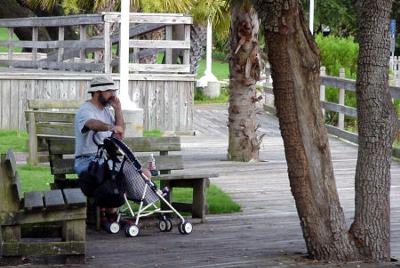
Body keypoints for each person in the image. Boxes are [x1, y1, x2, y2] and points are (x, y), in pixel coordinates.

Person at [74, 75, 125, 225]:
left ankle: (111, 216)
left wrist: (118, 110)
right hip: (87, 161)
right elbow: (91, 124)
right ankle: (110, 217)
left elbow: (120, 134)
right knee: (110, 175)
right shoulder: (85, 110)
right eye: (109, 91)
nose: (113, 95)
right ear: (98, 92)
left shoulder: (107, 111)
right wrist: (110, 127)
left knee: (134, 172)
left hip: (105, 159)